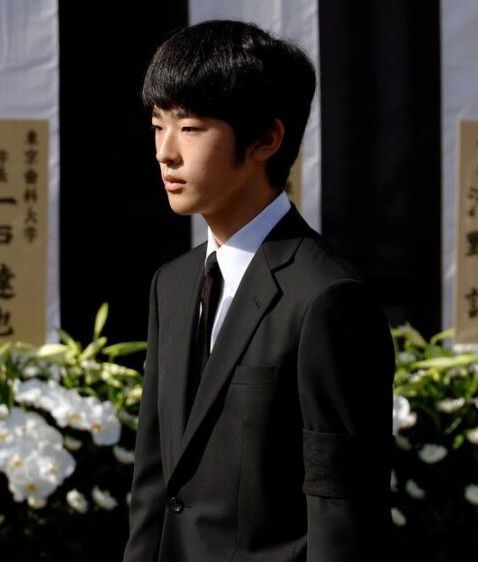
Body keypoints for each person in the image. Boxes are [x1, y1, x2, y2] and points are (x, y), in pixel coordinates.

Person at [124, 20, 395, 562]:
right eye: (158, 126)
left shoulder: (326, 297)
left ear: (267, 139)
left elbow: (341, 510)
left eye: (192, 128)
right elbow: (153, 484)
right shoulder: (172, 284)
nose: (165, 152)